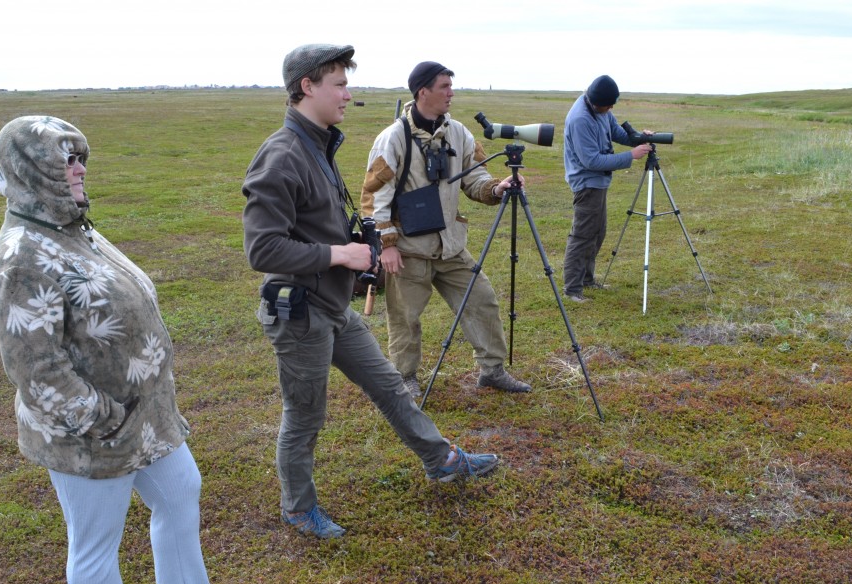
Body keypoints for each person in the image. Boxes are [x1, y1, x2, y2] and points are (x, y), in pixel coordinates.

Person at [0, 116, 235, 584]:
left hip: (145, 416)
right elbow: (36, 368)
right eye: (63, 159)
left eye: (80, 157)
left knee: (180, 490)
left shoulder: (76, 229)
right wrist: (101, 417)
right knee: (95, 540)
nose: (78, 169)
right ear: (31, 170)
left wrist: (144, 400)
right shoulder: (20, 256)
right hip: (88, 432)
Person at [242, 44, 502, 540]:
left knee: (388, 385)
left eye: (346, 82)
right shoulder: (281, 156)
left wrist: (358, 238)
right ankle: (298, 509)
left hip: (332, 307)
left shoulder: (318, 145)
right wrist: (339, 255)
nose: (348, 93)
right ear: (307, 87)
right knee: (305, 416)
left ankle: (442, 460)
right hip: (300, 314)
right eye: (339, 84)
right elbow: (262, 249)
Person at [360, 61, 531, 398]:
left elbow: (475, 179)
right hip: (408, 249)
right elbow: (374, 195)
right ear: (423, 91)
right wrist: (388, 245)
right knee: (404, 318)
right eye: (444, 87)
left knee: (482, 301)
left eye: (451, 86)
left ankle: (492, 370)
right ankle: (405, 378)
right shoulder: (392, 138)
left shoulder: (460, 133)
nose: (451, 93)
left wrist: (497, 188)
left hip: (451, 246)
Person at [561, 74, 653, 302]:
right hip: (586, 183)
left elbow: (616, 133)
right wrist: (631, 156)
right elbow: (591, 161)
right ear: (596, 102)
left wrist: (638, 138)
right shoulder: (580, 119)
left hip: (598, 182)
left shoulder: (601, 108)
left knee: (597, 232)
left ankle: (587, 280)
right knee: (582, 235)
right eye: (609, 105)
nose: (611, 108)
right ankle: (572, 289)